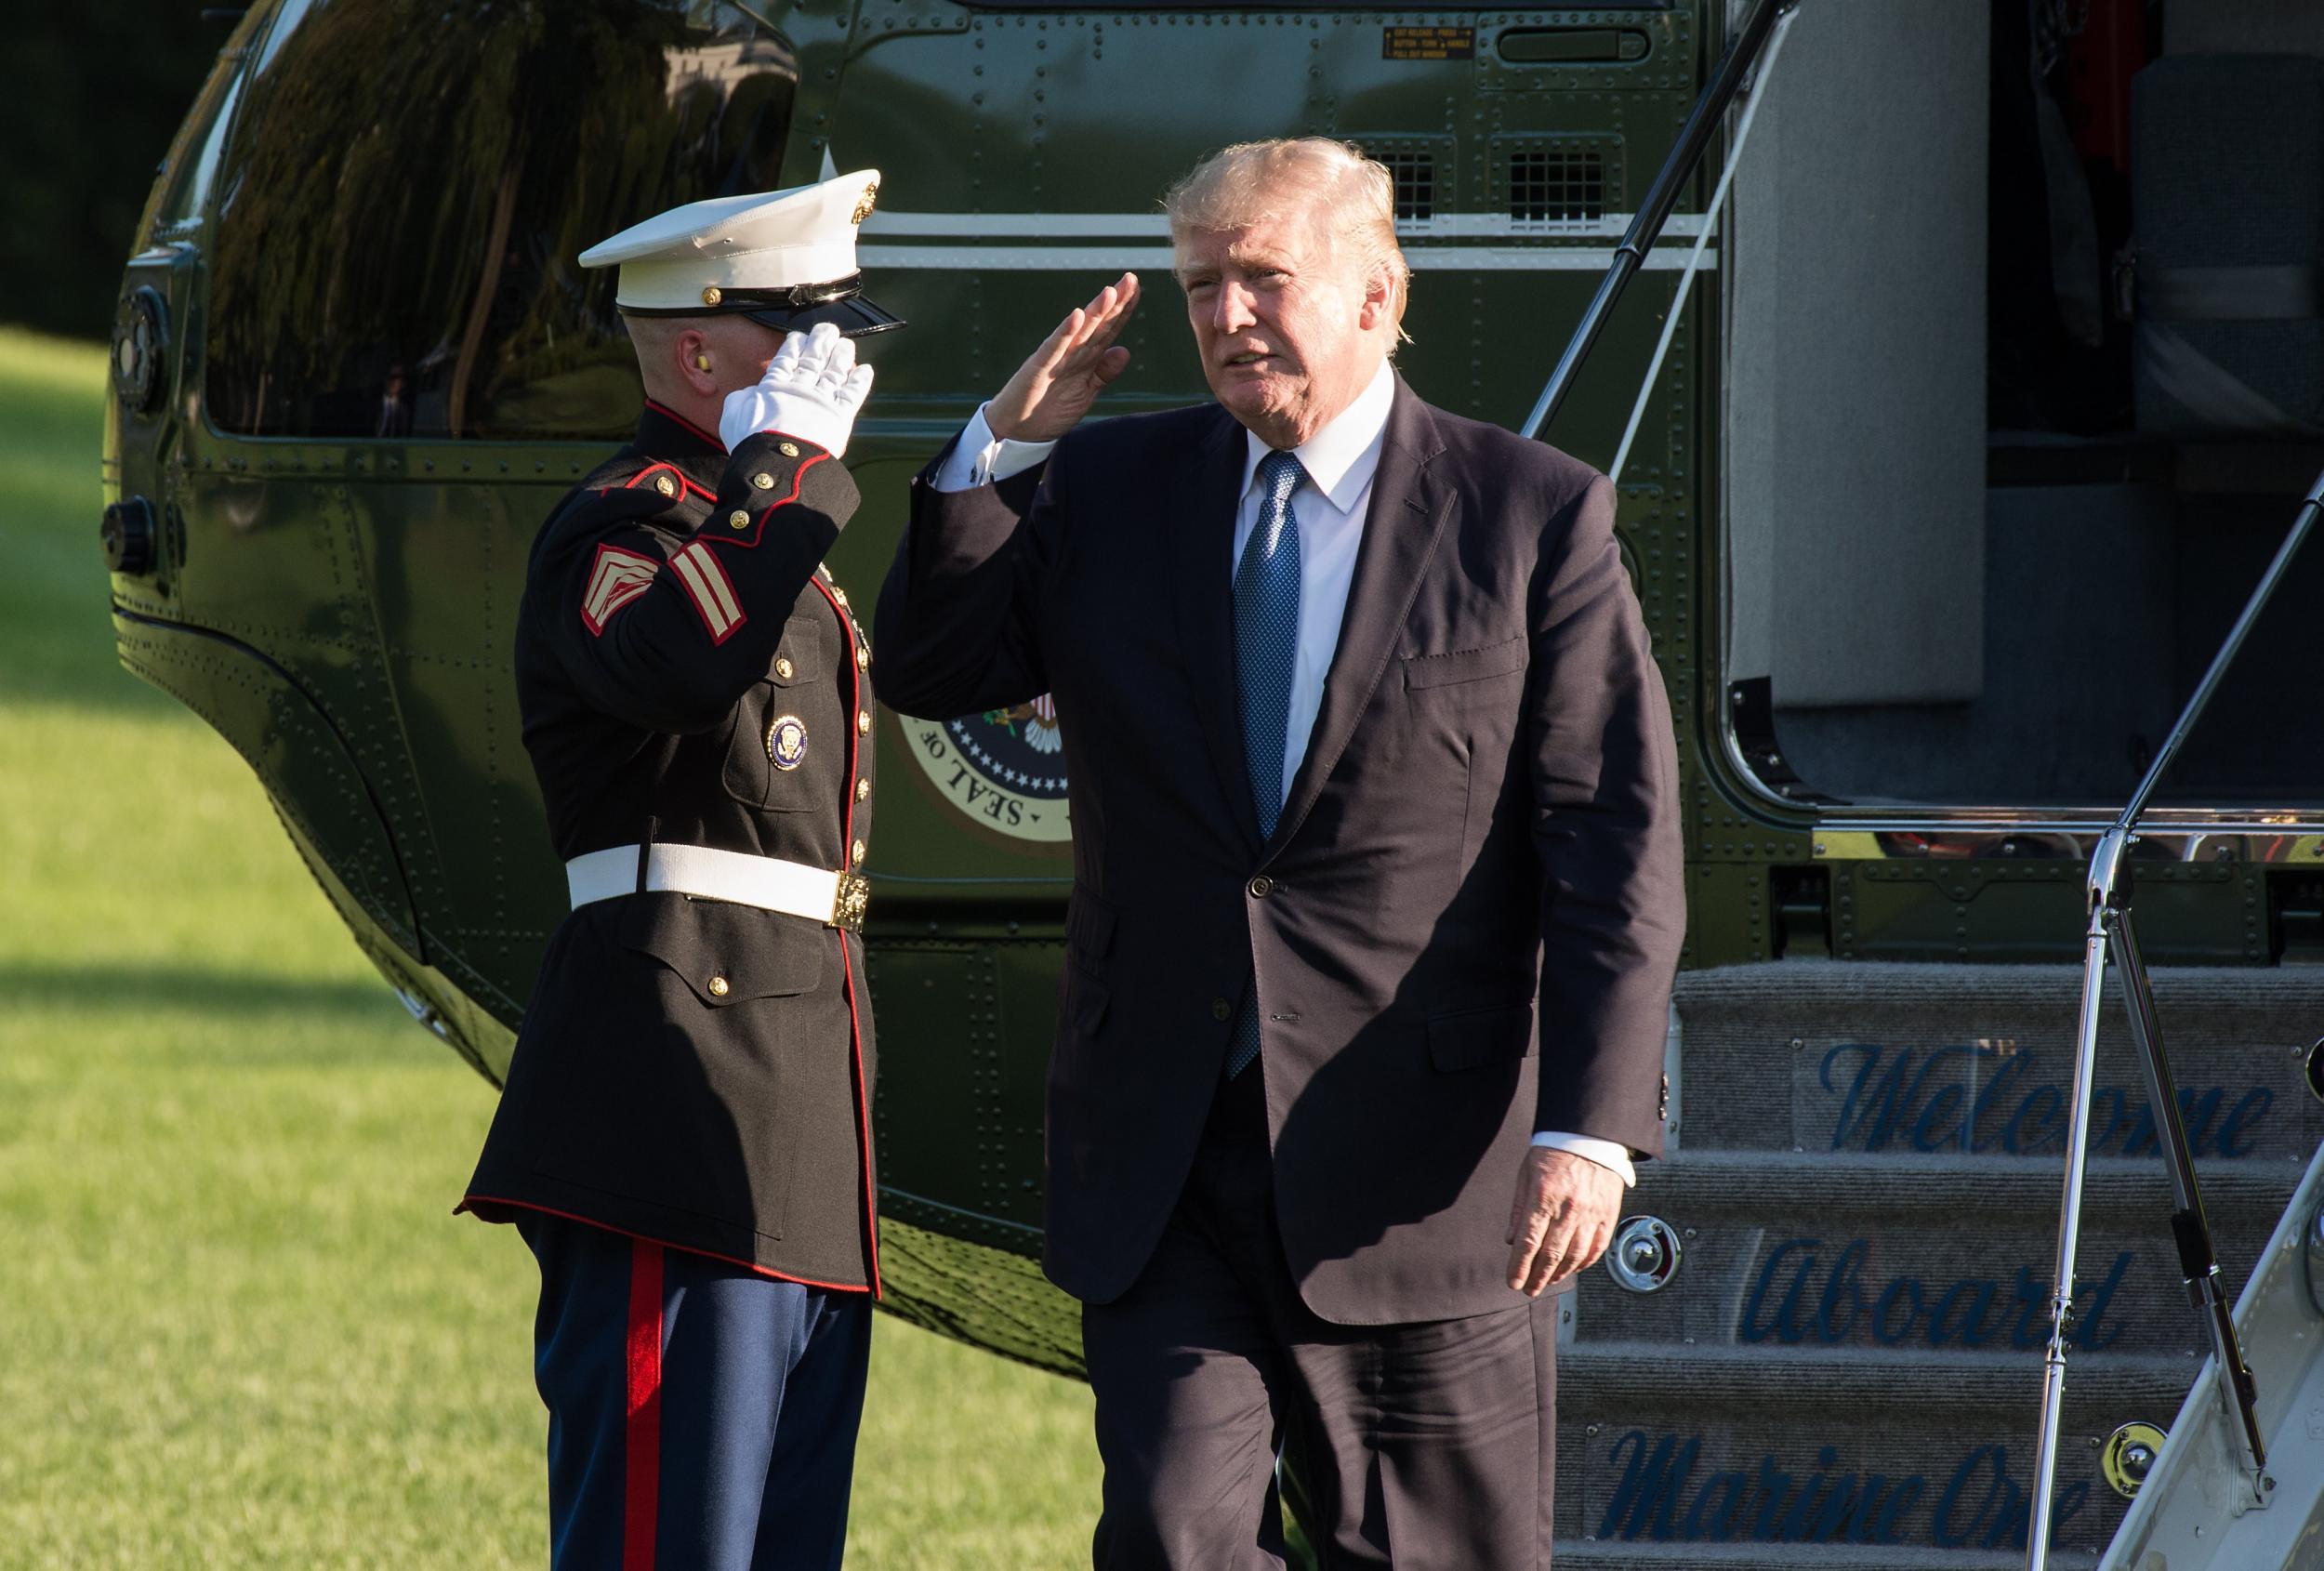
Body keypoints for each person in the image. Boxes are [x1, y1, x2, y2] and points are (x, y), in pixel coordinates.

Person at [874, 139, 1685, 1568]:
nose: (1228, 315)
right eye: (1202, 286)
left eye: (1264, 278)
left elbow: (1613, 838)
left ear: (1377, 295)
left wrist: (1590, 1127)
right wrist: (1001, 447)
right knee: (1172, 1533)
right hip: (1166, 1156)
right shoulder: (1109, 488)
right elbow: (934, 665)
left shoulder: (1529, 514)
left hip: (1423, 1178)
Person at [457, 169, 896, 1571]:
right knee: (667, 1543)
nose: (834, 365)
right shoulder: (621, 526)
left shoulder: (750, 536)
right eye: (798, 333)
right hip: (673, 1093)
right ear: (699, 352)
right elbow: (673, 670)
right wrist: (778, 483)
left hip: (792, 1112)